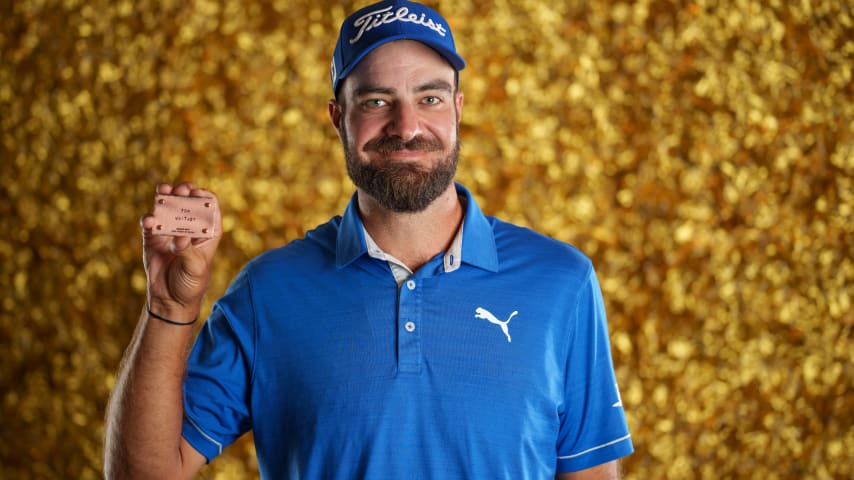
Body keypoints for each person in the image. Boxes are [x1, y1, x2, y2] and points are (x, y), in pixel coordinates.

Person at [104, 1, 633, 478]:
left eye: (429, 97)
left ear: (458, 109)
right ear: (339, 119)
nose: (407, 126)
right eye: (377, 101)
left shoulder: (561, 282)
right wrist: (168, 307)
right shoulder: (268, 293)